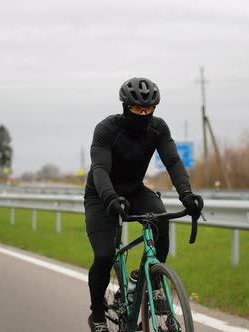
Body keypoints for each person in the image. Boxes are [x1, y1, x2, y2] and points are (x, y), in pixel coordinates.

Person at [84, 77, 204, 331]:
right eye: (138, 109)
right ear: (126, 107)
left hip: (134, 189)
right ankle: (96, 315)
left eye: (149, 109)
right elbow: (101, 170)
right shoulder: (107, 129)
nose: (144, 114)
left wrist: (187, 195)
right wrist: (110, 199)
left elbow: (173, 162)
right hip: (101, 194)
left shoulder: (158, 129)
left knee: (160, 217)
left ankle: (150, 282)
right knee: (105, 255)